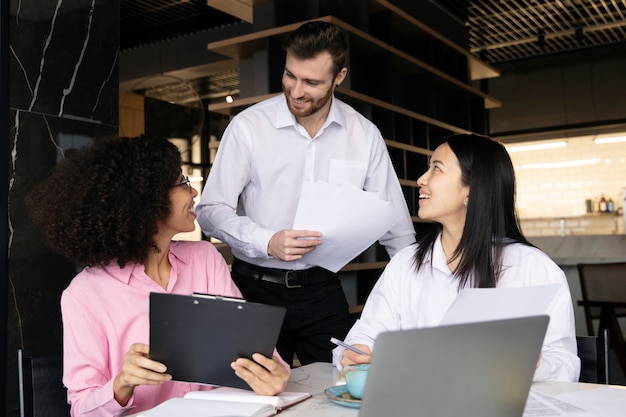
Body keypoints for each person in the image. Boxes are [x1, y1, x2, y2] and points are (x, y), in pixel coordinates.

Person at [196, 20, 416, 367]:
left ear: (339, 76)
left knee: (345, 382)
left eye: (312, 82)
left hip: (322, 288)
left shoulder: (364, 135)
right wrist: (266, 240)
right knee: (254, 397)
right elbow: (210, 209)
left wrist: (422, 290)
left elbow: (396, 228)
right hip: (254, 288)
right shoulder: (248, 127)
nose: (296, 91)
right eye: (290, 75)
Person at [26, 135, 290, 417]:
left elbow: (255, 353)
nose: (193, 194)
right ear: (147, 200)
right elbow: (82, 409)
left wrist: (272, 373)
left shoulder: (205, 259)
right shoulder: (84, 294)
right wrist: (123, 382)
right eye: (183, 183)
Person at [332, 134, 581, 382]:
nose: (421, 180)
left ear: (472, 190)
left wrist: (532, 361)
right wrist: (356, 352)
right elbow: (364, 335)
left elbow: (565, 364)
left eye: (436, 169)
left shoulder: (533, 268)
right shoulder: (405, 264)